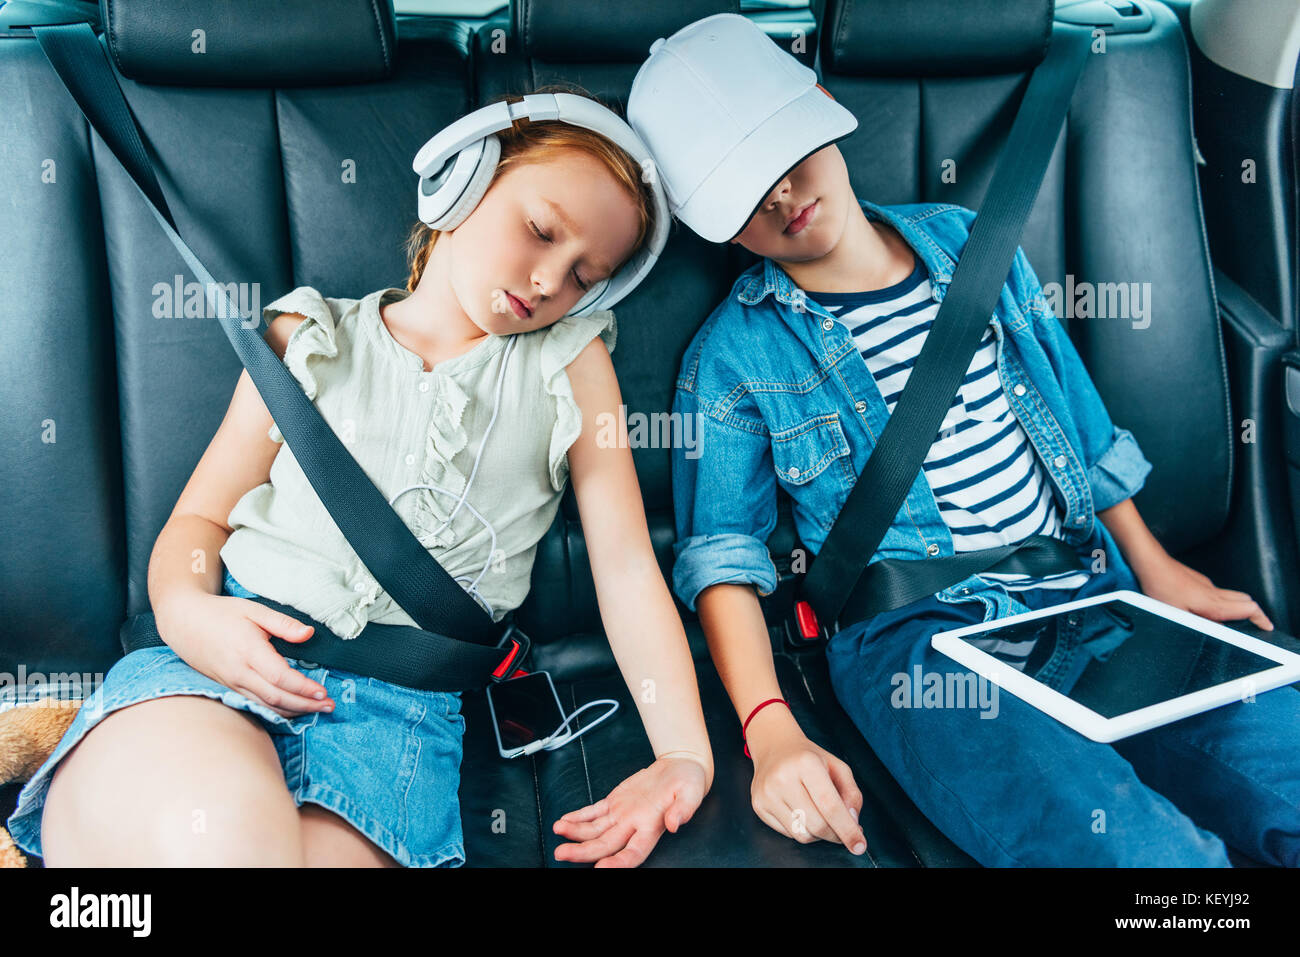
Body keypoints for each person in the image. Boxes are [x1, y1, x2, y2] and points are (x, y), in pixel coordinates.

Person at [629, 13, 1300, 866]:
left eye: (784, 159)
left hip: (1089, 593)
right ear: (710, 227)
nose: (781, 198)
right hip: (917, 639)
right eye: (742, 198)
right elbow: (723, 558)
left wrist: (1158, 569)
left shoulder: (972, 244)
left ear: (827, 110)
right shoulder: (731, 358)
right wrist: (771, 731)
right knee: (1137, 856)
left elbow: (1079, 421)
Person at [7, 86, 713, 869]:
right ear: (462, 180)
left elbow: (623, 569)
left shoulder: (571, 368)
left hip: (396, 724)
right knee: (223, 832)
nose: (551, 280)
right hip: (217, 666)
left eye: (585, 275)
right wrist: (184, 611)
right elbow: (199, 522)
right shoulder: (308, 339)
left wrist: (684, 752)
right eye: (541, 230)